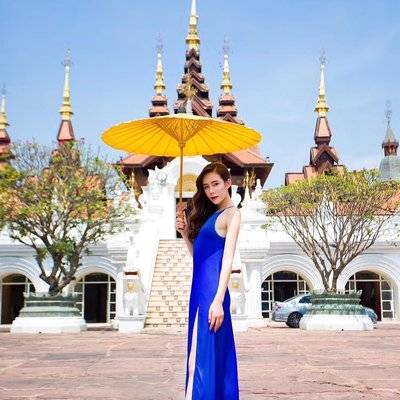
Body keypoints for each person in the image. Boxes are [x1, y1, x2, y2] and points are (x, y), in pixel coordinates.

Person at [176, 161, 240, 400]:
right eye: (206, 187)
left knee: (201, 361)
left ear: (228, 183)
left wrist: (218, 300)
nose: (211, 191)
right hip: (198, 293)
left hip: (213, 295)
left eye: (216, 184)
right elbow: (199, 257)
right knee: (198, 358)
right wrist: (185, 235)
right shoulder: (210, 216)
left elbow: (228, 260)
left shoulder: (232, 215)